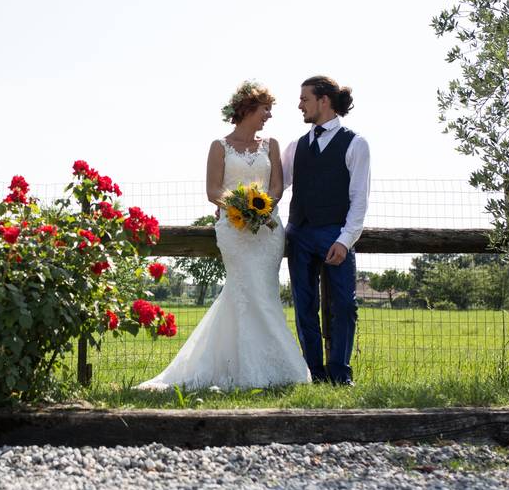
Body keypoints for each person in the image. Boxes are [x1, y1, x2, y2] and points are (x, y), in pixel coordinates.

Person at [137, 81, 309, 391]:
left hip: (267, 231)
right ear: (246, 109)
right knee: (243, 291)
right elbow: (213, 190)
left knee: (265, 294)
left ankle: (277, 368)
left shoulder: (270, 144)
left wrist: (262, 209)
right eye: (264, 108)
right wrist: (239, 206)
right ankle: (237, 368)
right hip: (234, 230)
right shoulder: (219, 146)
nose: (268, 115)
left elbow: (277, 187)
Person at [282, 75, 370, 386]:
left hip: (336, 234)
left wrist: (346, 241)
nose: (299, 104)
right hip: (300, 234)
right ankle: (314, 374)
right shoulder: (295, 147)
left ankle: (340, 373)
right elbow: (274, 188)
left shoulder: (356, 144)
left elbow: (359, 200)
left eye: (304, 98)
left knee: (345, 305)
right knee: (304, 307)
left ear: (324, 101)